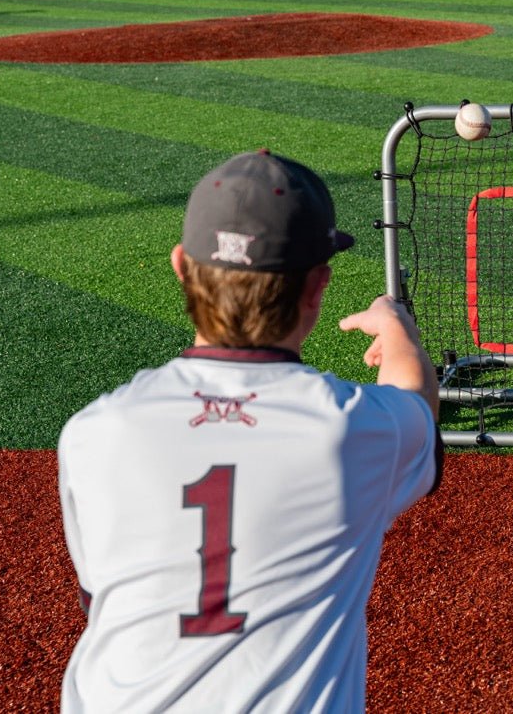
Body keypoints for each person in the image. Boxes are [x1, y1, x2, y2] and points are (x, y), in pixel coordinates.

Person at [58, 149, 441, 713]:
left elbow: (101, 597)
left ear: (181, 269)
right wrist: (396, 325)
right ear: (318, 287)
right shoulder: (349, 432)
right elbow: (416, 403)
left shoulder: (95, 432)